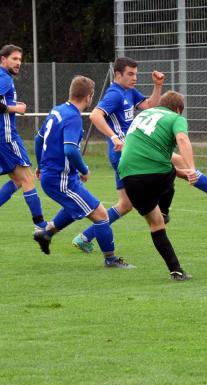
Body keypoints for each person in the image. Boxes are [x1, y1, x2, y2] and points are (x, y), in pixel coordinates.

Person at [71, 56, 207, 253]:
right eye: (130, 74)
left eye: (136, 74)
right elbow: (95, 115)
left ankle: (85, 236)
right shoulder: (115, 94)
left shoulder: (127, 91)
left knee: (126, 205)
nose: (134, 78)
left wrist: (157, 86)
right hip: (127, 152)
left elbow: (149, 106)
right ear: (118, 74)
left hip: (130, 151)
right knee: (180, 164)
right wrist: (114, 137)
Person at [32, 75, 134, 269]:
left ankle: (46, 233)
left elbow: (38, 139)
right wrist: (84, 168)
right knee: (101, 215)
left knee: (76, 208)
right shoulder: (73, 118)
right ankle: (111, 259)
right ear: (89, 97)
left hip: (58, 176)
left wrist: (39, 165)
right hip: (60, 179)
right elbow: (70, 149)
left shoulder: (58, 110)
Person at [117, 90, 195, 281]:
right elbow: (183, 140)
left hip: (127, 175)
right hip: (156, 174)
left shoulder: (143, 114)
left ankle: (176, 271)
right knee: (169, 173)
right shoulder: (175, 118)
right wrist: (191, 168)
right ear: (178, 109)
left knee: (156, 224)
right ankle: (165, 210)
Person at [0, 44, 47, 236]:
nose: (18, 63)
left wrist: (6, 106)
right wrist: (16, 108)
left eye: (20, 60)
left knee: (18, 180)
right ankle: (41, 225)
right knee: (27, 178)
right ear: (3, 60)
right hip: (6, 136)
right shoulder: (3, 78)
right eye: (14, 59)